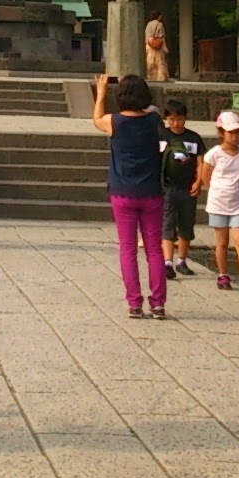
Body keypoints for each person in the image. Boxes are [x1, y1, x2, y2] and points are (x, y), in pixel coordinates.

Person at [92, 73, 167, 318]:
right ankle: (158, 303)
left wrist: (101, 90)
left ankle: (134, 303)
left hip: (122, 190)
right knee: (154, 250)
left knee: (127, 249)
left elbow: (96, 119)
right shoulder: (154, 120)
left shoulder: (114, 121)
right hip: (151, 191)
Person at [198, 110, 239, 294]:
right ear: (221, 133)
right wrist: (214, 190)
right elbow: (205, 175)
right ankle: (223, 274)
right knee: (222, 242)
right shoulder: (214, 154)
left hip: (238, 203)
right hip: (218, 202)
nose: (235, 136)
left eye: (238, 132)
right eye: (231, 132)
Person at [158, 99, 203, 280]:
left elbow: (201, 162)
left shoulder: (194, 138)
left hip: (187, 187)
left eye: (179, 119)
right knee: (168, 223)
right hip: (168, 187)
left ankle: (182, 260)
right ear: (167, 119)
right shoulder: (162, 136)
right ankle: (167, 262)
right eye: (172, 119)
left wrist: (199, 181)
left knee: (186, 224)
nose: (176, 123)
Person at [144, 10, 169, 83]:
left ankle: (151, 77)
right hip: (158, 46)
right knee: (160, 62)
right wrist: (165, 47)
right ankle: (160, 78)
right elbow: (161, 37)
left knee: (150, 62)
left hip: (149, 45)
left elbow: (147, 36)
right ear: (159, 16)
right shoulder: (159, 24)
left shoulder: (148, 24)